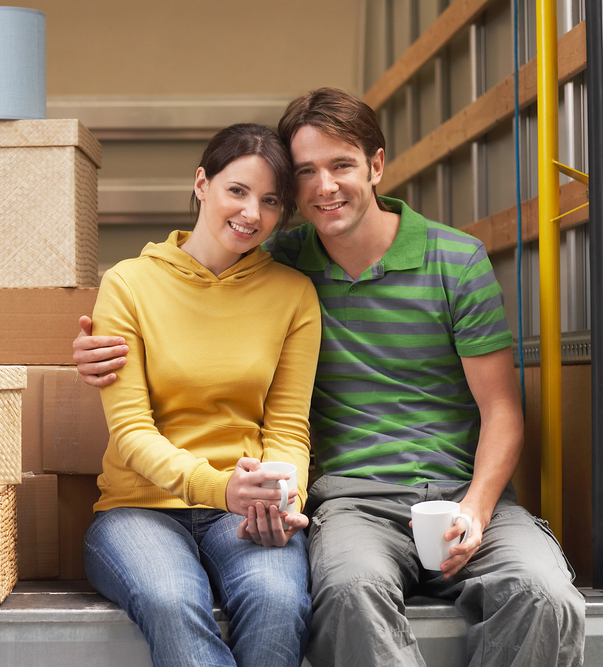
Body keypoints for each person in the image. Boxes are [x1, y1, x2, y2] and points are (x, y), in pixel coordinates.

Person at [75, 88, 586, 667]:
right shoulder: (275, 262)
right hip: (349, 503)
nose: (324, 187)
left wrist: (477, 507)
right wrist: (89, 351)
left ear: (376, 164)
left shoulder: (446, 262)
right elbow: (193, 285)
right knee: (342, 597)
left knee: (545, 597)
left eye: (341, 165)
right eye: (305, 174)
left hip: (454, 494)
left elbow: (500, 412)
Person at [83, 123, 321, 667]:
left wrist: (284, 499)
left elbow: (287, 428)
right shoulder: (128, 284)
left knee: (280, 600)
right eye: (237, 191)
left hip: (245, 510)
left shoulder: (293, 294)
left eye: (270, 201)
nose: (251, 214)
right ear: (201, 183)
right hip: (138, 509)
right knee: (172, 600)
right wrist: (220, 488)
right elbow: (132, 431)